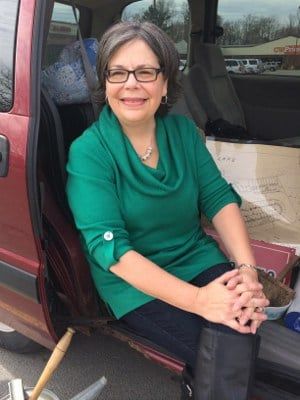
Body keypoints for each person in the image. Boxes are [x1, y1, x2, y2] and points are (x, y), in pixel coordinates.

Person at [66, 21, 269, 400]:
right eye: (118, 72)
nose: (131, 84)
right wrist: (199, 301)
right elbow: (111, 251)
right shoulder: (89, 152)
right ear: (104, 82)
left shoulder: (183, 134)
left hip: (195, 256)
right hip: (132, 283)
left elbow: (218, 199)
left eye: (145, 72)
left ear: (165, 82)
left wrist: (247, 271)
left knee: (241, 321)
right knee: (227, 352)